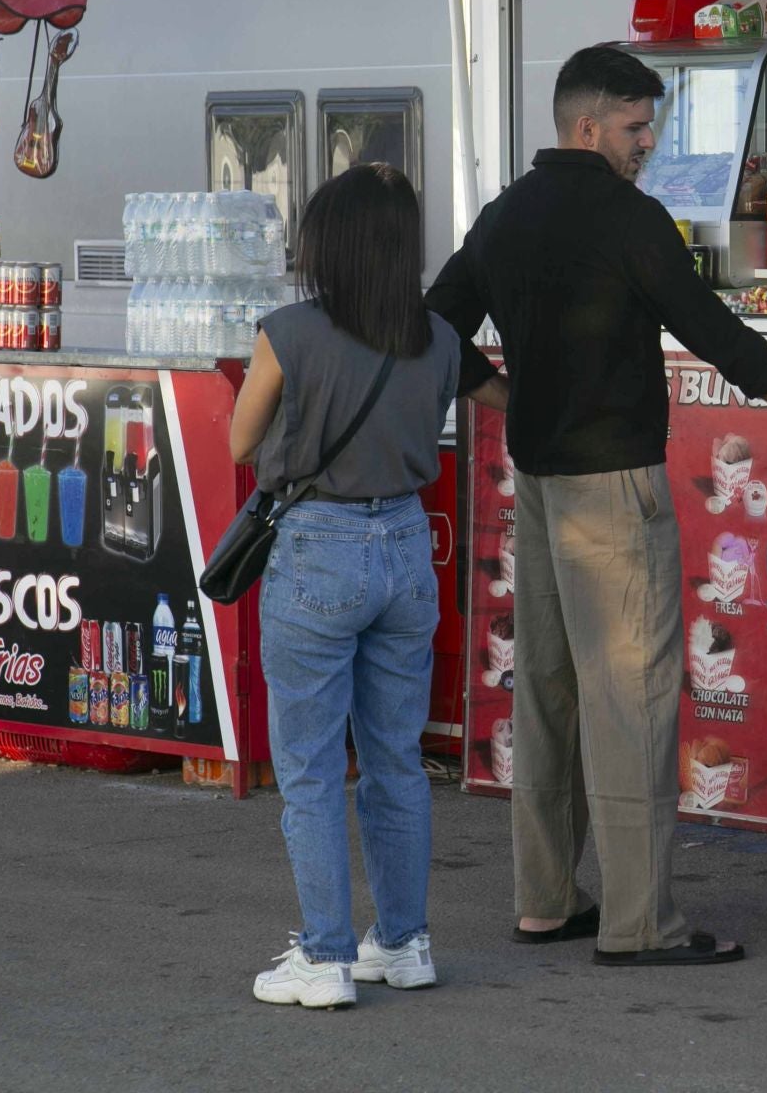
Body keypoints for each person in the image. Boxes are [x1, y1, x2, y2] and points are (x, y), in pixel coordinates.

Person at [426, 44, 767, 967]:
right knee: (631, 698)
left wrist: (507, 395)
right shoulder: (630, 219)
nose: (648, 144)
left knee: (549, 693)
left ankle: (546, 901)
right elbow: (722, 339)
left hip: (540, 489)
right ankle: (640, 926)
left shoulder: (505, 215)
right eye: (637, 128)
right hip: (613, 490)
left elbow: (432, 325)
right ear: (588, 126)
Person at [229, 164, 504, 1009]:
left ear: (329, 245)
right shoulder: (441, 342)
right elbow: (499, 396)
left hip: (319, 550)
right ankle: (405, 942)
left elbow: (243, 443)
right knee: (396, 761)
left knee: (311, 768)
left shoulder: (289, 332)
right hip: (405, 552)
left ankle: (324, 959)